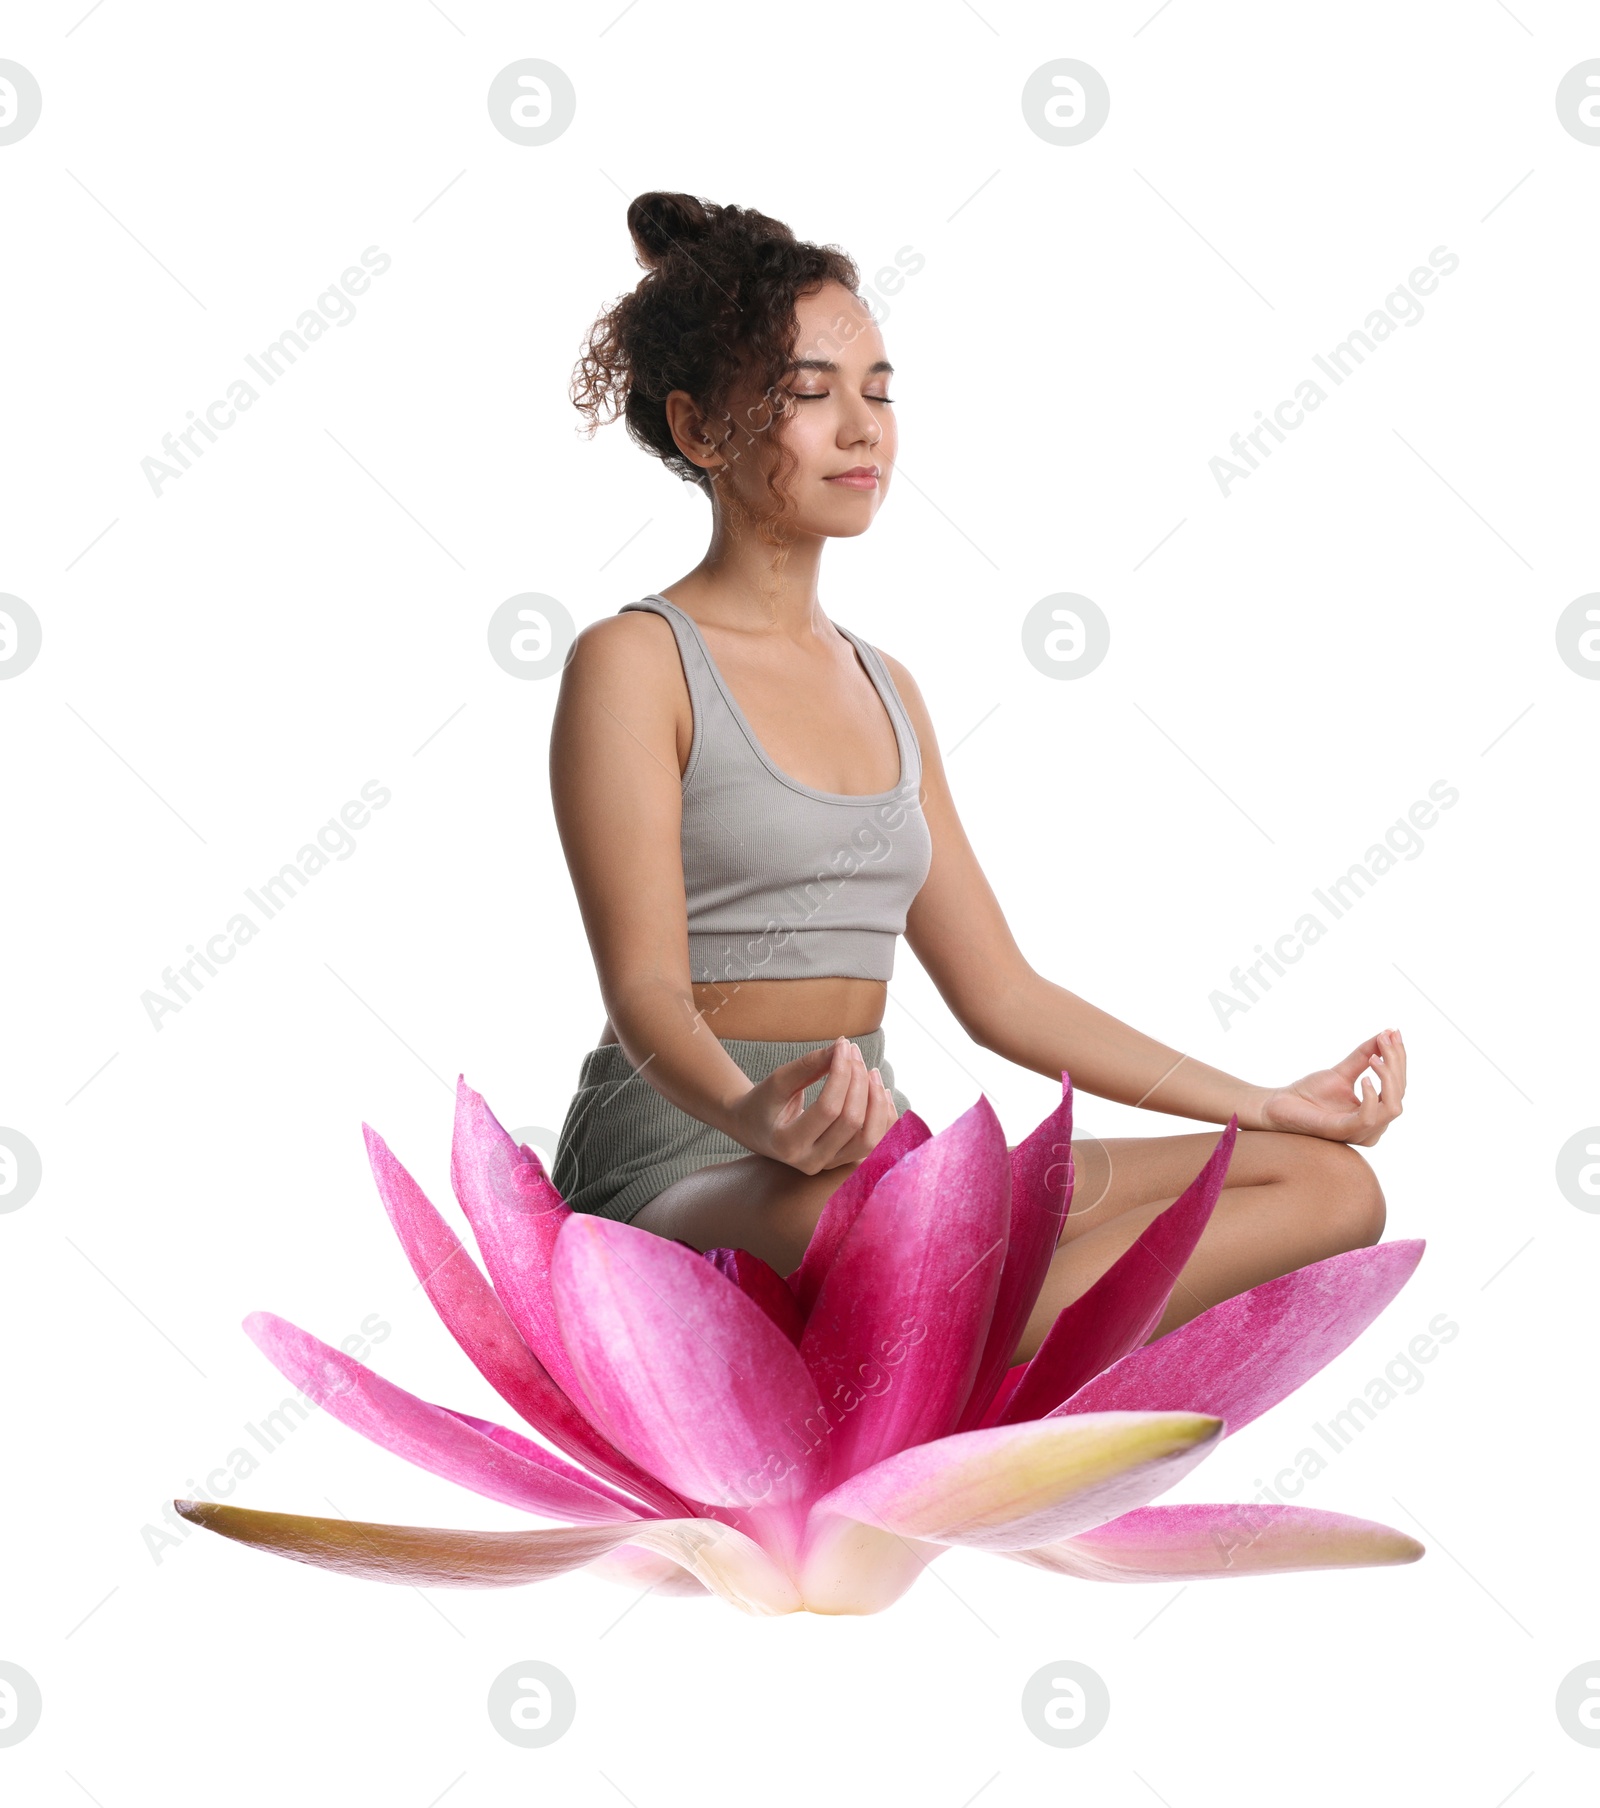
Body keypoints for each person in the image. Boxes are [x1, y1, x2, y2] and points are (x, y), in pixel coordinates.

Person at [549, 191, 1404, 1365]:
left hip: (869, 1156)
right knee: (915, 1239)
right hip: (684, 1152)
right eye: (810, 394)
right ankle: (942, 1344)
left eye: (880, 391)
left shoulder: (887, 685)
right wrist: (753, 1113)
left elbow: (1002, 992)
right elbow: (647, 992)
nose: (863, 430)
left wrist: (1260, 1100)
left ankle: (943, 1359)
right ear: (701, 431)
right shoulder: (635, 662)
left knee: (1327, 1187)